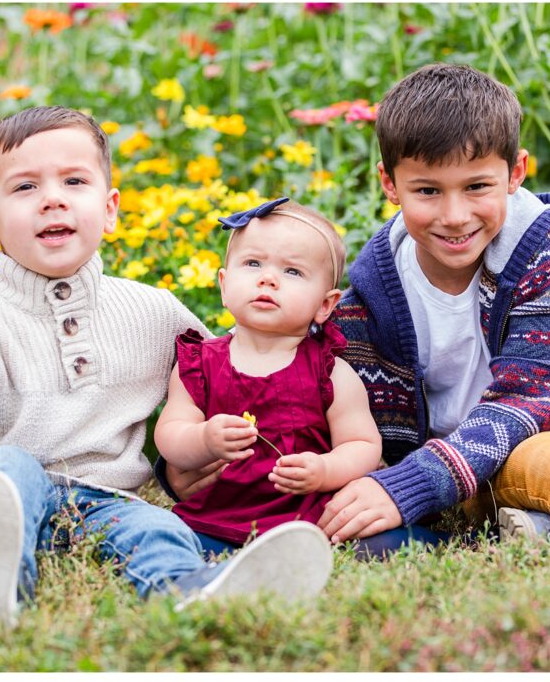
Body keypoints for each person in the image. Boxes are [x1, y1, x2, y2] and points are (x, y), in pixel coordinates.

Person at [164, 63, 550, 563]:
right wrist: (189, 465)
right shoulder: (365, 298)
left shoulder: (546, 248)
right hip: (493, 470)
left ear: (515, 172)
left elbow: (538, 396)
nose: (455, 215)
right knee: (546, 459)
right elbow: (273, 364)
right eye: (427, 191)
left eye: (477, 186)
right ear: (389, 184)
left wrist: (407, 488)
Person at [0, 106, 333, 629]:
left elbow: (227, 378)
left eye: (74, 181)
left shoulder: (154, 310)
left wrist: (185, 466)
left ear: (109, 210)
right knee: (6, 468)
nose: (53, 198)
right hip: (8, 496)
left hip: (111, 501)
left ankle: (194, 590)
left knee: (160, 532)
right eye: (25, 187)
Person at [156, 198, 437, 559]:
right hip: (216, 520)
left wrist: (324, 470)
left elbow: (363, 446)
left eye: (292, 272)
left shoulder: (331, 372)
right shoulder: (200, 364)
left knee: (392, 544)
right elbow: (169, 434)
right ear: (224, 286)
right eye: (252, 263)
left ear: (325, 305)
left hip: (308, 522)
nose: (268, 278)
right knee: (164, 542)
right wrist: (204, 439)